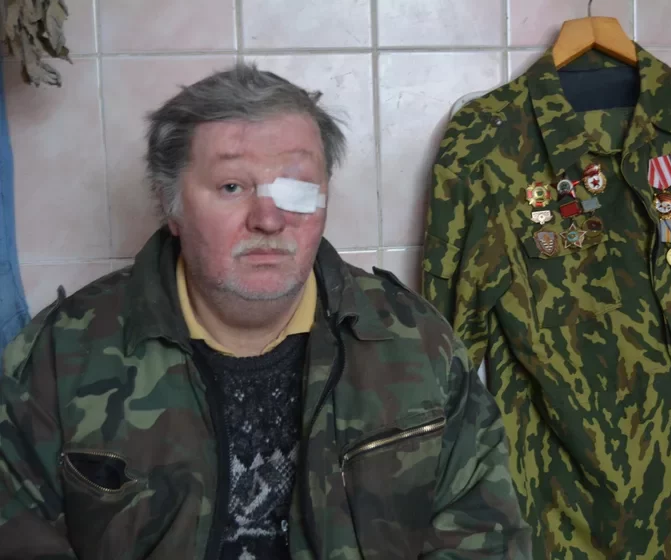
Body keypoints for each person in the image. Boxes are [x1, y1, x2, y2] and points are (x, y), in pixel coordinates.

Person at [0, 64, 531, 559]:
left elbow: (486, 537)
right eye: (232, 187)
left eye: (297, 189)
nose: (270, 220)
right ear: (170, 206)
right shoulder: (59, 357)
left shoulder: (416, 345)